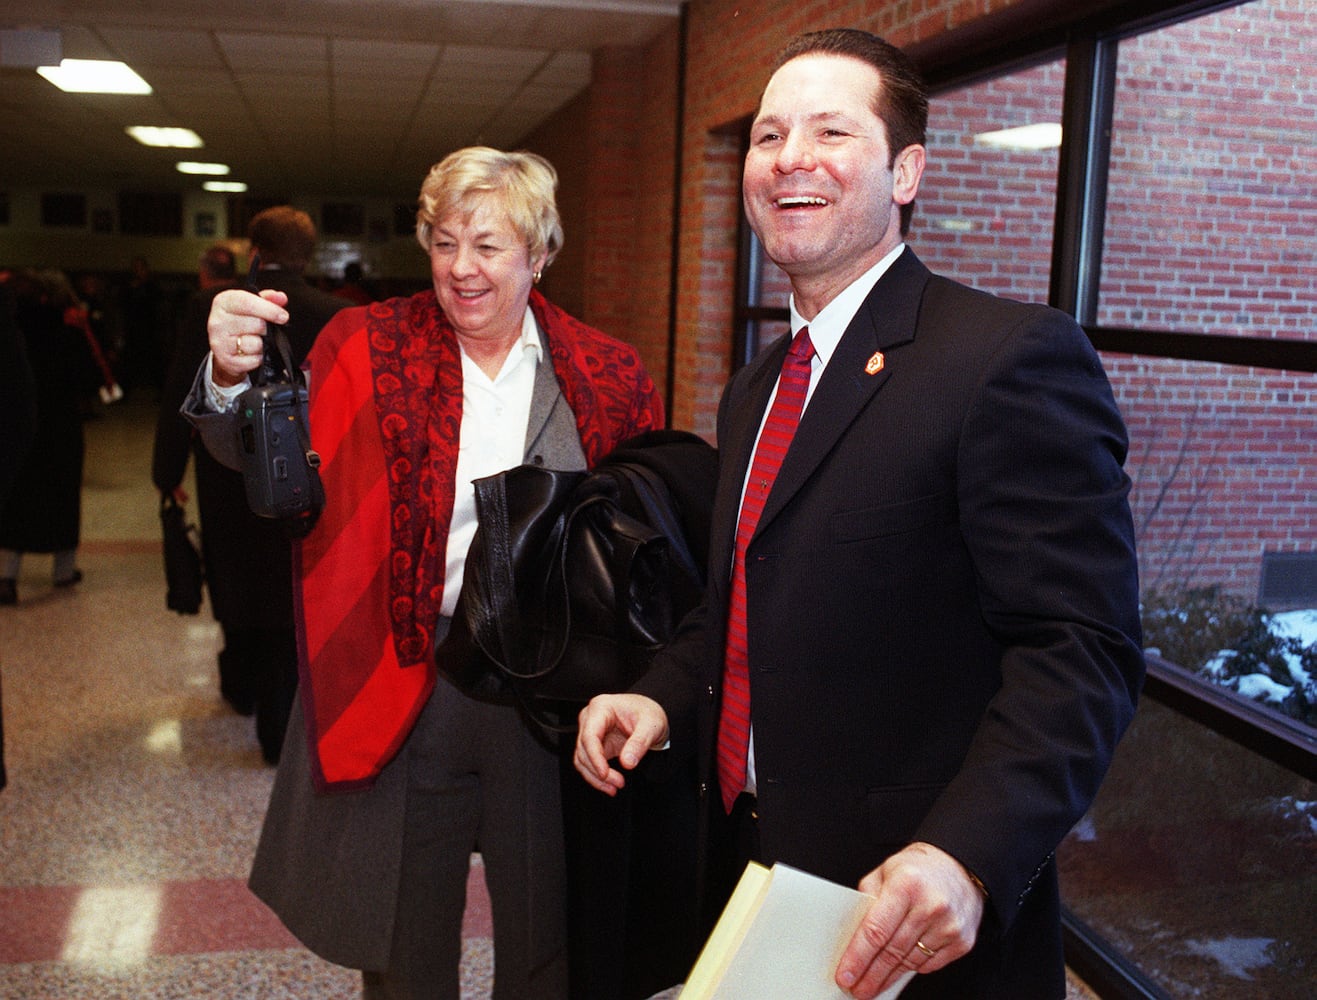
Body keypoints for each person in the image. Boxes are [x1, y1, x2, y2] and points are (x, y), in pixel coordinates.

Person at [575, 28, 1144, 1000]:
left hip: (909, 910)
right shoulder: (755, 388)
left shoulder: (1004, 359)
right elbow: (745, 588)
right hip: (751, 873)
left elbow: (1080, 648)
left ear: (906, 170)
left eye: (831, 131)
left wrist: (966, 854)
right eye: (768, 136)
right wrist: (664, 691)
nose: (790, 157)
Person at [186, 147, 663, 999]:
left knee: (546, 930)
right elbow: (272, 464)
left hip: (547, 695)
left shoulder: (605, 373)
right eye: (444, 244)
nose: (461, 269)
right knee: (404, 937)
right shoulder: (365, 345)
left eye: (488, 246)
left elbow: (643, 542)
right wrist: (228, 377)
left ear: (541, 254)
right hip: (405, 672)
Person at [157, 225, 346, 763]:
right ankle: (282, 724)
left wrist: (164, 472)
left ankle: (243, 689)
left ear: (255, 252)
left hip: (231, 481)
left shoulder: (217, 307)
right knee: (290, 605)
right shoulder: (338, 313)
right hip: (309, 482)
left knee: (241, 590)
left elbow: (180, 395)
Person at [0, 269, 103, 604]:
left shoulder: (10, 331)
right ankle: (62, 570)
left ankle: (6, 574)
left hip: (14, 425)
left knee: (16, 496)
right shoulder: (67, 331)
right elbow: (88, 380)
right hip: (61, 426)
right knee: (62, 494)